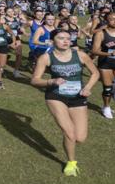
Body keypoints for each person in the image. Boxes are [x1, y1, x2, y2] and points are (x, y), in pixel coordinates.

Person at [30, 27, 96, 176]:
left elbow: (95, 73)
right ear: (52, 41)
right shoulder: (46, 58)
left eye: (68, 38)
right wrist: (51, 81)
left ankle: (69, 140)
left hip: (78, 96)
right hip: (56, 96)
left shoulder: (80, 55)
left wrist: (88, 87)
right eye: (61, 38)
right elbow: (34, 80)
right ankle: (71, 163)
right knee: (69, 132)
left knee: (80, 138)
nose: (66, 41)